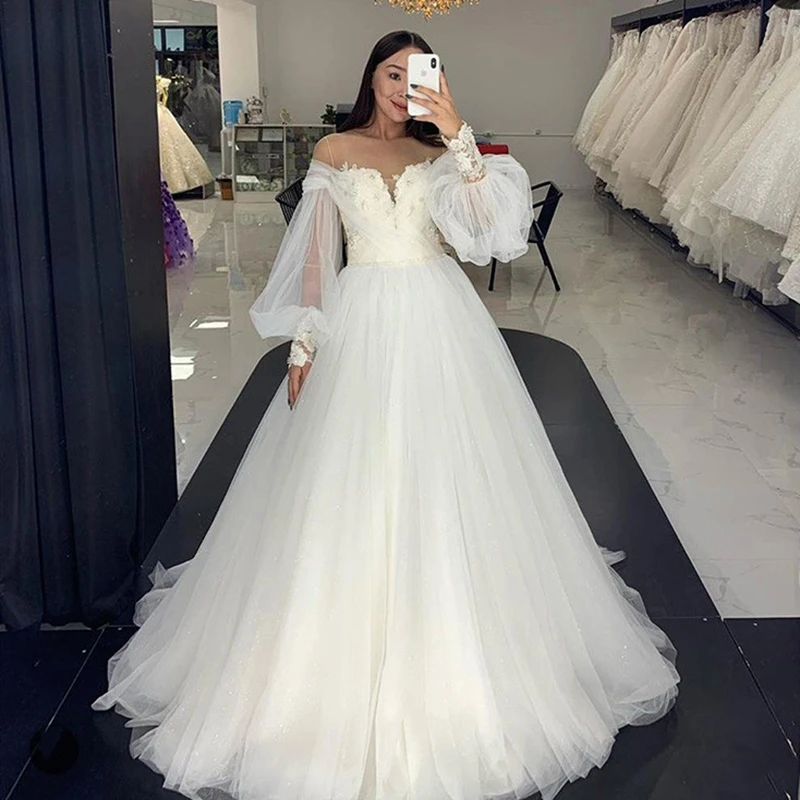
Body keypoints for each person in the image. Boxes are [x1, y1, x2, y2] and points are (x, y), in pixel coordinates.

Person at [93, 30, 679, 800]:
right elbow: (318, 253)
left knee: (454, 477)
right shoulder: (334, 151)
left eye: (418, 75)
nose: (404, 88)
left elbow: (492, 236)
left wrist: (459, 131)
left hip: (441, 319)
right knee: (346, 482)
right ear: (370, 78)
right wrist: (305, 342)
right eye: (392, 74)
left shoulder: (441, 154)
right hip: (362, 316)